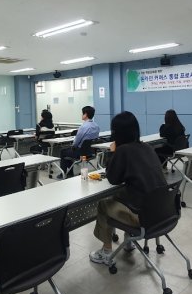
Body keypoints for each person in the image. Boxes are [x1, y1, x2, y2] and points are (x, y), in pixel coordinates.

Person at [89, 111, 167, 265]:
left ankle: (106, 252)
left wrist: (112, 152)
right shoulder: (147, 147)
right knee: (127, 197)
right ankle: (129, 242)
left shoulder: (122, 150)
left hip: (144, 216)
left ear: (116, 132)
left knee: (105, 204)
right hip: (163, 210)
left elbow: (112, 178)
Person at [59, 106, 100, 177]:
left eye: (82, 113)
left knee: (63, 151)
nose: (81, 115)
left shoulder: (83, 127)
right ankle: (69, 172)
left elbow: (76, 142)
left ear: (86, 114)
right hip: (91, 152)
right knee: (68, 151)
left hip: (81, 153)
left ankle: (64, 173)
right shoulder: (96, 126)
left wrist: (73, 146)